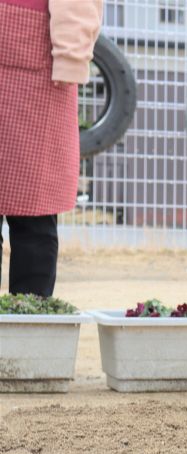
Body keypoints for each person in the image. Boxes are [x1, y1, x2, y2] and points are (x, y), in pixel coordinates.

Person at [0, 0, 103, 296]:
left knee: (35, 209)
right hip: (28, 42)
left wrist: (72, 55)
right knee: (35, 219)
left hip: (38, 60)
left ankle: (33, 332)